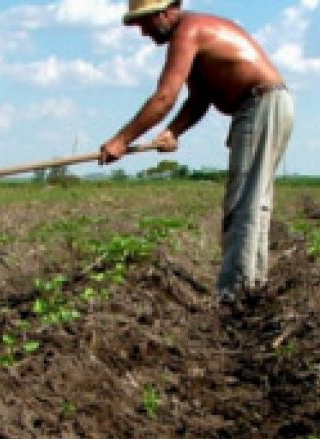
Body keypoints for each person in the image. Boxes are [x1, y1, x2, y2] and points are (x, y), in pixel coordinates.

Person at [100, 0, 294, 304]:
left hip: (260, 104)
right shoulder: (196, 32)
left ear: (165, 13)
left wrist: (121, 140)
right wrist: (173, 132)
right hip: (267, 104)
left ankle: (236, 294)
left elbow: (164, 96)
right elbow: (199, 99)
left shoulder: (187, 32)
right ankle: (251, 286)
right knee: (254, 201)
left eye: (145, 23)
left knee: (244, 202)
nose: (143, 32)